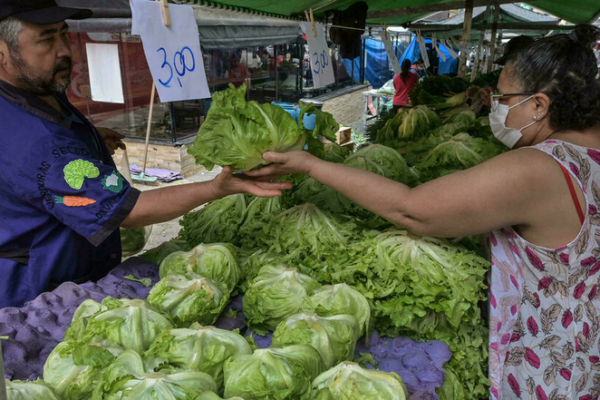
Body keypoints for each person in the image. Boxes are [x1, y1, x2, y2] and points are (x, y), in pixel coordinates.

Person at [247, 26, 600, 397]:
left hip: (549, 364)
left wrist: (310, 165)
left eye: (503, 96)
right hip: (583, 346)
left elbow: (413, 211)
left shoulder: (541, 169)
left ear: (540, 105)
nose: (495, 104)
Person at [0, 0, 289, 308]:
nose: (64, 50)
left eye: (63, 34)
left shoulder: (34, 92)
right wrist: (216, 188)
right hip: (41, 294)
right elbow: (131, 211)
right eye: (46, 39)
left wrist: (85, 139)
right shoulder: (37, 142)